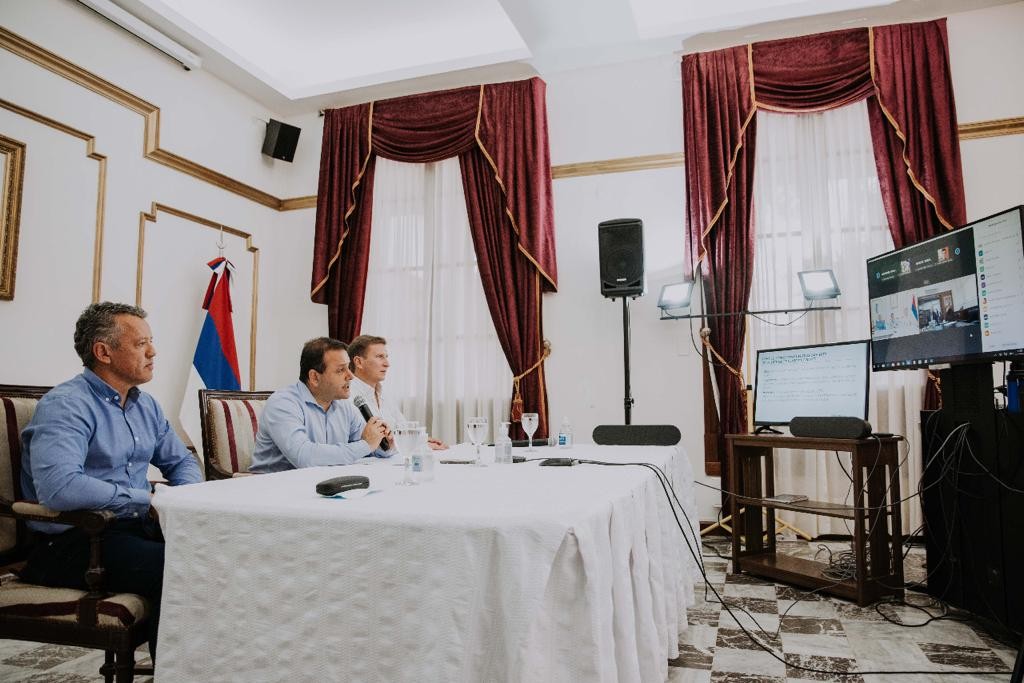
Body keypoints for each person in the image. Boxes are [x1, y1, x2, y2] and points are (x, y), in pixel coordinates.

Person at [20, 302, 203, 661]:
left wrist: (178, 499)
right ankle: (174, 673)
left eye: (151, 341)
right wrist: (145, 499)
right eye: (141, 344)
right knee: (183, 566)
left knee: (219, 549)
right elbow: (60, 488)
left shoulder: (146, 406)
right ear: (103, 352)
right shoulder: (67, 405)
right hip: (74, 541)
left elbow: (182, 461)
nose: (153, 352)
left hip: (131, 530)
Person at [249, 337, 390, 473]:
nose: (351, 376)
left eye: (348, 368)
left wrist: (383, 443)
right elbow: (304, 457)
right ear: (314, 377)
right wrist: (366, 445)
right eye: (341, 370)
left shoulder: (343, 405)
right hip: (273, 484)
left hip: (322, 482)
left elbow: (369, 445)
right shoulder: (283, 403)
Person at [348, 334, 447, 449]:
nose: (387, 364)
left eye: (386, 357)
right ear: (359, 362)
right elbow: (370, 443)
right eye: (380, 357)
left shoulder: (384, 394)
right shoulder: (347, 397)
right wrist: (418, 445)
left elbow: (403, 428)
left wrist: (422, 440)